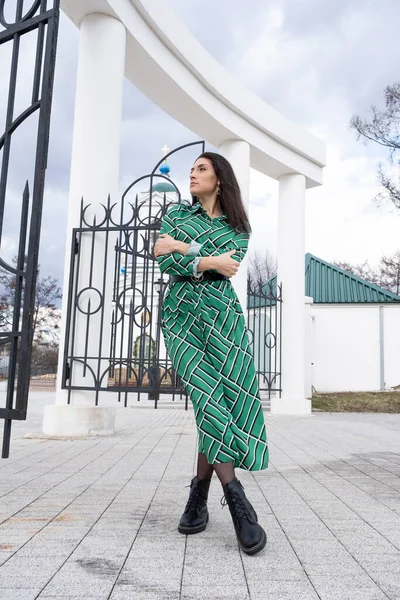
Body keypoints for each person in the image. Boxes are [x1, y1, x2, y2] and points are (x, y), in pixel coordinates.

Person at [153, 151, 268, 556]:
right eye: (192, 169)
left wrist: (184, 249)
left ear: (220, 179)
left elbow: (229, 265)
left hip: (224, 322)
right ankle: (236, 499)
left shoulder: (239, 225)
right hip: (182, 320)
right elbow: (163, 260)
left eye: (202, 169)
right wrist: (204, 257)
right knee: (206, 398)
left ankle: (198, 496)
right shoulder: (176, 214)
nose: (193, 174)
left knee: (217, 407)